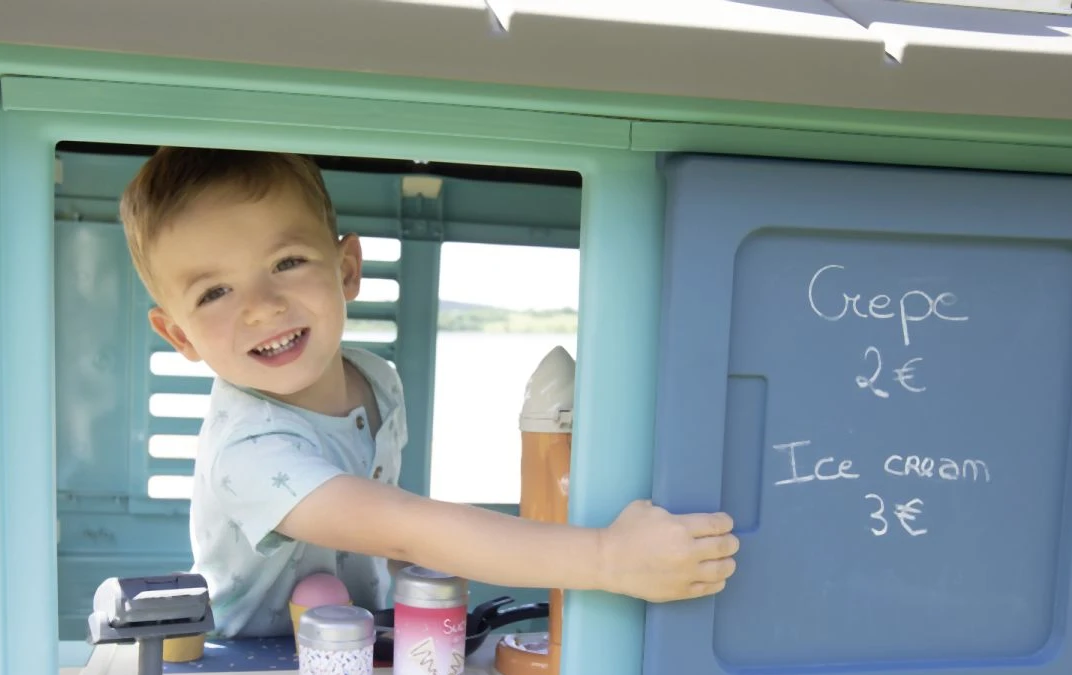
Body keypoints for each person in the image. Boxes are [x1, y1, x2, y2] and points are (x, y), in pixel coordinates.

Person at [119, 147, 738, 637]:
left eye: (286, 263)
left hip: (354, 639)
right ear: (180, 335)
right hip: (247, 666)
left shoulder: (377, 380)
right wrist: (608, 557)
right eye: (215, 293)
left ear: (347, 270)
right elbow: (405, 528)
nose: (261, 307)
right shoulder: (249, 451)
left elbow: (392, 540)